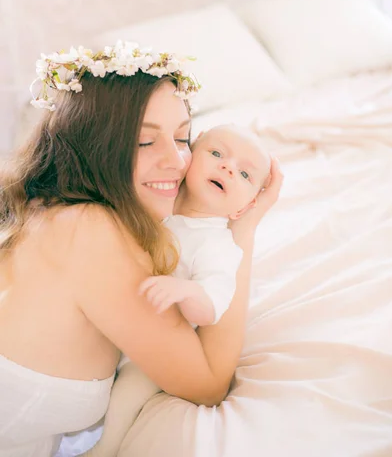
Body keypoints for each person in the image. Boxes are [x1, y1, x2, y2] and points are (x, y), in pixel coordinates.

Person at [0, 41, 283, 457]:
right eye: (144, 142)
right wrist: (243, 228)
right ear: (93, 144)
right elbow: (207, 383)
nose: (177, 161)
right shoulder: (90, 232)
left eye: (184, 137)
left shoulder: (44, 202)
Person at [80, 124, 272, 457]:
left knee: (130, 391)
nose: (227, 167)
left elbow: (212, 305)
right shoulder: (158, 206)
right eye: (216, 153)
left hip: (159, 346)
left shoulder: (218, 245)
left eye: (244, 174)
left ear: (242, 209)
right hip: (119, 323)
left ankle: (104, 448)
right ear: (187, 159)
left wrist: (186, 291)